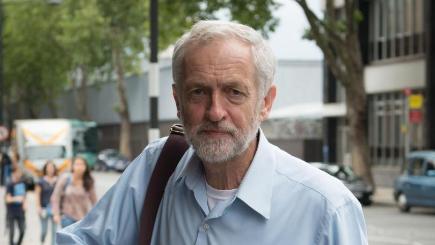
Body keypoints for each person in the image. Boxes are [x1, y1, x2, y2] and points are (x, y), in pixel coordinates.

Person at [57, 20, 368, 244]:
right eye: (198, 93)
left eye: (234, 92)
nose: (215, 112)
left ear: (265, 102)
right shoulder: (157, 166)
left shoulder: (326, 209)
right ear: (178, 102)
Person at [51, 156, 97, 228]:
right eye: (77, 164)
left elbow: (94, 201)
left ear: (86, 167)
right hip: (67, 218)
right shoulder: (65, 178)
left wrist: (98, 216)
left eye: (82, 164)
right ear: (72, 166)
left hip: (83, 219)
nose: (79, 167)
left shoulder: (89, 181)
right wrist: (56, 214)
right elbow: (55, 197)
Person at [35, 161, 58, 245]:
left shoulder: (58, 180)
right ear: (46, 169)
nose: (50, 169)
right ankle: (42, 240)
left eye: (52, 167)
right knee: (44, 230)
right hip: (43, 208)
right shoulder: (41, 181)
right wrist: (38, 207)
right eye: (49, 167)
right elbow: (37, 195)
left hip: (55, 209)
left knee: (54, 231)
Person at [5, 166, 26, 245]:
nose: (19, 174)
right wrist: (17, 198)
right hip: (11, 211)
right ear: (13, 173)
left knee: (22, 230)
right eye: (17, 172)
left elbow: (24, 195)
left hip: (20, 211)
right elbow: (7, 199)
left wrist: (24, 203)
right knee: (12, 232)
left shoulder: (22, 183)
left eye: (20, 172)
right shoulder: (10, 184)